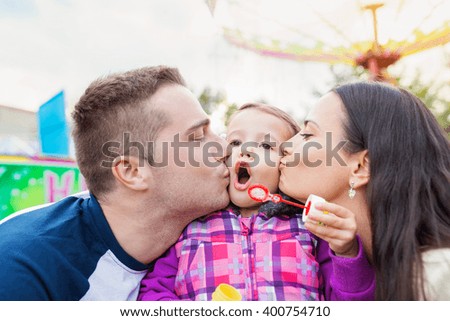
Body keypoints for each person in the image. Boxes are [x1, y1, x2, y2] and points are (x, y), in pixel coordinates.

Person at [0, 66, 230, 300]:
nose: (224, 148)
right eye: (197, 137)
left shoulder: (213, 237)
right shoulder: (22, 269)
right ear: (132, 172)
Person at [138, 103, 375, 301]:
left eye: (266, 146)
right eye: (235, 143)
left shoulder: (309, 230)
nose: (246, 151)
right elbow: (152, 292)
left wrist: (346, 253)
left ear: (284, 165)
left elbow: (349, 303)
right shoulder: (190, 226)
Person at [279, 81, 450, 300]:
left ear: (361, 167)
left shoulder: (438, 279)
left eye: (308, 135)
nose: (285, 145)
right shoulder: (312, 259)